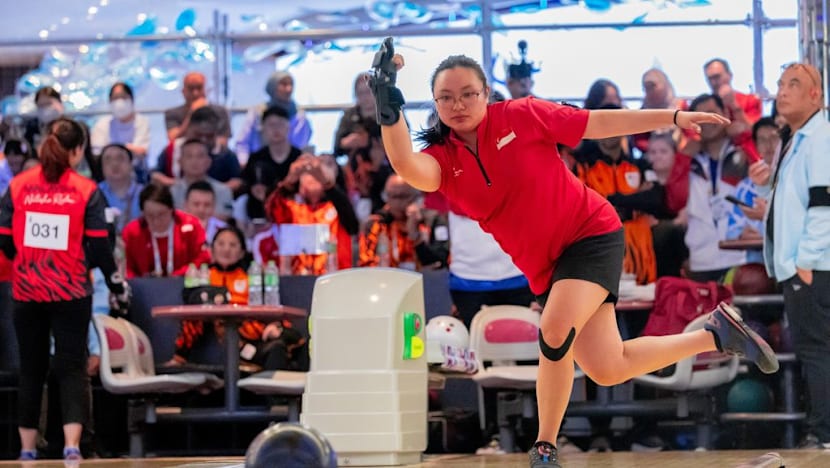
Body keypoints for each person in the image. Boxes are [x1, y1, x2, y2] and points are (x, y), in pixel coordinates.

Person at [369, 39, 778, 467]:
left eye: (468, 93)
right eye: (446, 98)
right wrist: (388, 108)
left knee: (554, 327)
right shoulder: (442, 159)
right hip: (546, 265)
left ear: (486, 94)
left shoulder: (522, 115)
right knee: (607, 366)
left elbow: (596, 123)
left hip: (590, 232)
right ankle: (714, 334)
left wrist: (673, 116)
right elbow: (406, 166)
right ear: (435, 104)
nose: (458, 104)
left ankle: (544, 447)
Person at [0, 117, 129, 461]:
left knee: (31, 369)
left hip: (27, 292)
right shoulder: (86, 190)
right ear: (78, 151)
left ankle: (27, 449)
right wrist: (111, 278)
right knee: (72, 367)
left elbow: (4, 239)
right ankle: (72, 445)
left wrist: (27, 262)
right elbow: (101, 246)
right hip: (70, 291)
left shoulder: (18, 185)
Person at [750, 62, 830, 449]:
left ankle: (823, 433)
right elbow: (797, 203)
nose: (783, 91)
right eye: (780, 84)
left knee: (817, 349)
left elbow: (824, 204)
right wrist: (768, 189)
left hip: (815, 265)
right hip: (803, 265)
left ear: (816, 95)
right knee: (814, 348)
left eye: (793, 84)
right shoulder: (794, 139)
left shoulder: (820, 137)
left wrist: (806, 262)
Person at [122, 183, 210, 278]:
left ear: (171, 209)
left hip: (185, 284)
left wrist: (180, 274)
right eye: (150, 215)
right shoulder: (132, 232)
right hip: (144, 288)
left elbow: (202, 258)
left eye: (161, 214)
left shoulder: (191, 226)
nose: (156, 221)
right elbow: (128, 267)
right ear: (142, 213)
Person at [90, 82, 152, 183]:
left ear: (132, 99)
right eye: (115, 98)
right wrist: (127, 149)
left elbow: (142, 151)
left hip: (136, 176)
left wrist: (113, 150)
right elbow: (97, 152)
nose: (119, 101)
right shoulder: (102, 124)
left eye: (123, 97)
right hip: (107, 177)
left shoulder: (141, 121)